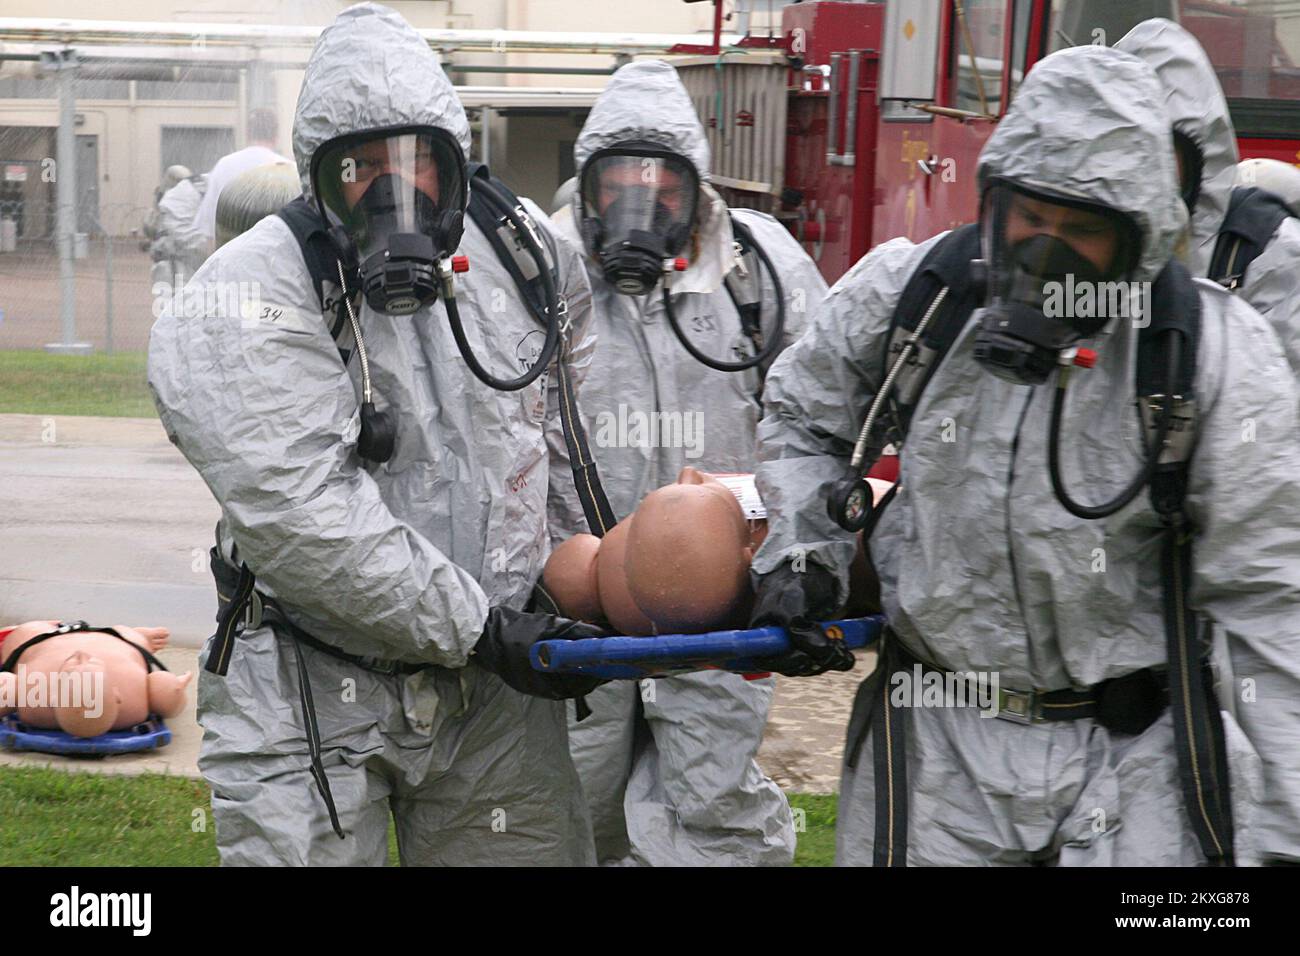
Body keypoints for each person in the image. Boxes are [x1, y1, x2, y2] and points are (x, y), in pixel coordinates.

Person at [750, 43, 1300, 866]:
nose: (1049, 251)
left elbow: (1268, 595)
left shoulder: (1211, 355)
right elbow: (804, 415)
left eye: (1082, 232)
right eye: (1030, 220)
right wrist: (803, 551)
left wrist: (1288, 826)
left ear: (1140, 240)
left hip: (1134, 760)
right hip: (936, 747)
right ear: (994, 202)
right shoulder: (919, 299)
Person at [148, 2, 608, 867]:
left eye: (418, 161)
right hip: (309, 691)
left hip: (495, 704)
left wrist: (613, 589)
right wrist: (490, 631)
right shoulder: (238, 298)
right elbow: (302, 518)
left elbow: (563, 445)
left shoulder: (523, 260)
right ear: (317, 179)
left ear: (454, 161)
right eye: (359, 167)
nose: (394, 190)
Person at [549, 59, 828, 866]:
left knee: (711, 802)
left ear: (695, 183)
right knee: (575, 804)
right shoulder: (538, 267)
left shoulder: (755, 269)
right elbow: (494, 430)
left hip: (720, 603)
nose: (642, 203)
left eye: (663, 183)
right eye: (619, 182)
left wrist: (792, 555)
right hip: (580, 608)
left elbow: (816, 415)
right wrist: (533, 572)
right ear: (588, 183)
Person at [1115, 18, 1300, 375]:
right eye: (1129, 147)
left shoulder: (1270, 255)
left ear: (1201, 157)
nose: (1144, 169)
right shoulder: (1091, 238)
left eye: (1161, 150)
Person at [191, 107, 292, 248]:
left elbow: (208, 230)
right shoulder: (287, 169)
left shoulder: (224, 165)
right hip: (275, 261)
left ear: (248, 134)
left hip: (230, 260)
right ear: (276, 136)